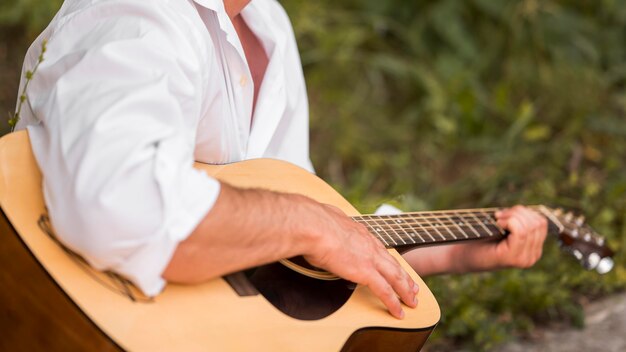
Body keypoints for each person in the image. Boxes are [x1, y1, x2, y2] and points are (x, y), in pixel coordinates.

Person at [15, 0, 547, 320]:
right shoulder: (137, 15)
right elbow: (120, 208)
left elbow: (297, 245)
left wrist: (457, 253)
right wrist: (306, 222)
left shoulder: (267, 23)